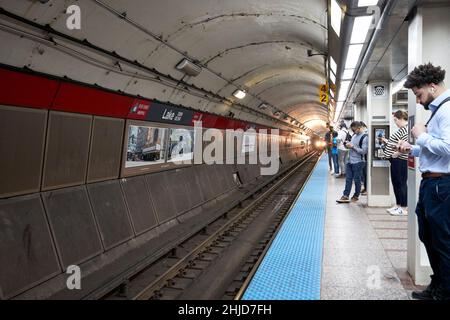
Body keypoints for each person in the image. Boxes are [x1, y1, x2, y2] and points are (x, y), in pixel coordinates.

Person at [397, 63, 450, 300]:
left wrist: (421, 136)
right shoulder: (438, 111)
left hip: (442, 186)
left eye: (419, 95)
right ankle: (438, 286)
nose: (418, 101)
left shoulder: (448, 110)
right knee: (429, 237)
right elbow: (435, 151)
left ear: (432, 86)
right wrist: (413, 148)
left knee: (442, 241)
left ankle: (445, 292)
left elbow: (449, 148)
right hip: (432, 184)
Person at [382, 110, 409, 216]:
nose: (395, 122)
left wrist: (397, 153)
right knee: (396, 183)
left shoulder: (406, 129)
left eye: (396, 120)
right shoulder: (402, 129)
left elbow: (406, 145)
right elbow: (396, 142)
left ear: (401, 118)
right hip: (395, 160)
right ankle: (398, 205)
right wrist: (388, 142)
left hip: (401, 160)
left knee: (401, 183)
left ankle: (404, 207)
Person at [336, 121, 368, 203]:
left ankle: (356, 195)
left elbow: (364, 151)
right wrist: (347, 145)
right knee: (348, 179)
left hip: (359, 162)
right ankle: (345, 195)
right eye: (352, 130)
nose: (353, 132)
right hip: (350, 161)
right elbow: (351, 145)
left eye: (354, 130)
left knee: (357, 180)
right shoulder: (354, 135)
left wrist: (353, 147)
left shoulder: (365, 137)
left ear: (359, 128)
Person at [360, 121, 368, 195]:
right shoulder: (365, 133)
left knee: (366, 173)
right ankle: (365, 188)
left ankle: (367, 189)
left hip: (367, 156)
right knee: (364, 173)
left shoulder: (366, 134)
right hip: (365, 157)